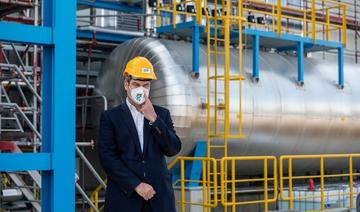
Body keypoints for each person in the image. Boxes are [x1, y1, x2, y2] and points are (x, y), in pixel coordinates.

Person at [97, 56, 182, 212]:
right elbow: (107, 157)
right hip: (125, 198)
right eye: (136, 84)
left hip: (159, 200)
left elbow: (173, 148)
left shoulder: (162, 115)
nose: (141, 89)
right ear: (126, 84)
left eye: (146, 85)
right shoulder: (111, 117)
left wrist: (154, 119)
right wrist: (135, 184)